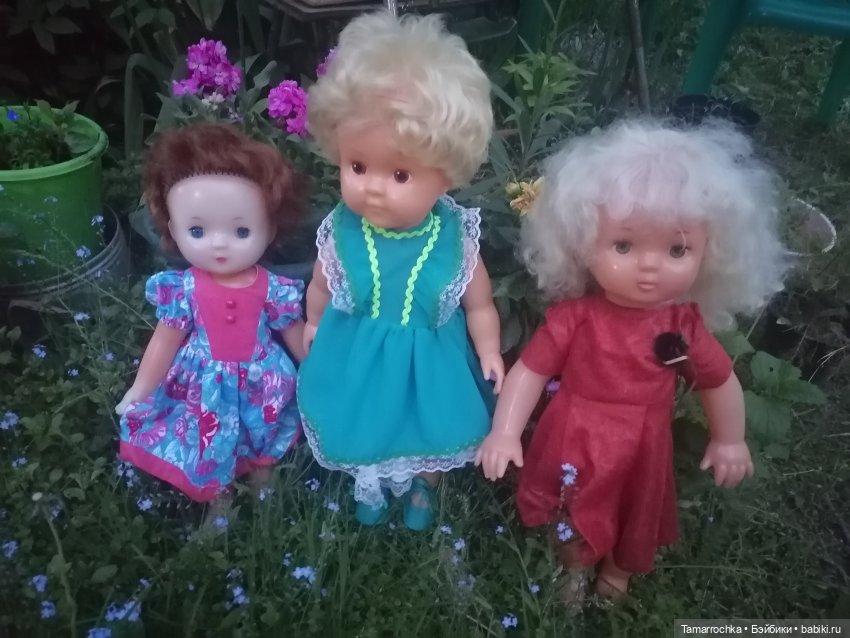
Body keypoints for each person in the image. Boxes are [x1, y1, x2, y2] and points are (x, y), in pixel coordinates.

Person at [476, 119, 787, 601]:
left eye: (677, 249)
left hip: (642, 443)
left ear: (711, 252)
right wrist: (505, 431)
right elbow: (531, 371)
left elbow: (718, 380)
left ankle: (619, 569)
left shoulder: (681, 328)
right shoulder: (576, 319)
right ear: (582, 245)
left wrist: (729, 438)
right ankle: (573, 566)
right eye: (623, 245)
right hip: (575, 435)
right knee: (571, 505)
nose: (649, 265)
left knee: (636, 506)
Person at [298, 11, 504, 530]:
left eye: (400, 174)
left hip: (428, 362)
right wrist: (314, 323)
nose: (372, 186)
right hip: (359, 354)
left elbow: (479, 302)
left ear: (446, 175)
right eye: (357, 166)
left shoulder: (452, 239)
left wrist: (489, 349)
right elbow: (320, 283)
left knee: (428, 425)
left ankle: (423, 483)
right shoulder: (344, 232)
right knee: (363, 418)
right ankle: (369, 480)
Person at [115, 123, 307, 507]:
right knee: (210, 446)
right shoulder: (183, 289)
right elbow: (164, 340)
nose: (219, 244)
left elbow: (296, 335)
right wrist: (141, 388)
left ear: (270, 229)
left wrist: (321, 373)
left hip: (262, 383)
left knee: (262, 439)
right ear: (173, 229)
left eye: (241, 231)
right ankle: (220, 505)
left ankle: (266, 496)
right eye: (198, 231)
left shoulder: (274, 289)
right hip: (204, 384)